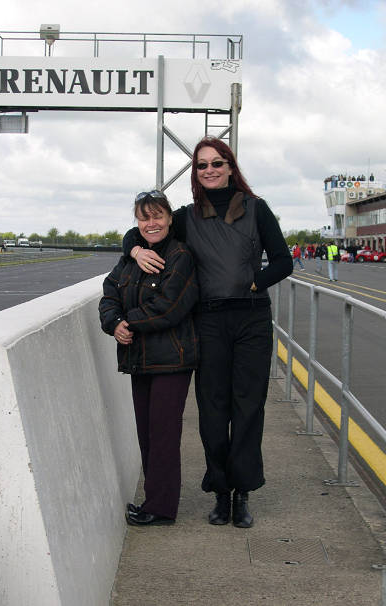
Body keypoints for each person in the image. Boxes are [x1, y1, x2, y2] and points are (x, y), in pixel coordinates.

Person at [123, 136, 292, 528]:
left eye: (217, 163)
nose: (210, 170)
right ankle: (219, 492)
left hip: (251, 320)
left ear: (231, 167)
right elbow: (144, 231)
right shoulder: (185, 216)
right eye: (202, 165)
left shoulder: (256, 209)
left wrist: (253, 282)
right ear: (195, 173)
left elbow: (283, 262)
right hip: (209, 322)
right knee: (213, 409)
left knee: (248, 408)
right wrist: (134, 250)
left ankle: (242, 493)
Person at [99, 191, 199, 526]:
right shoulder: (131, 256)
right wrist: (113, 323)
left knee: (164, 434)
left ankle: (161, 507)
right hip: (139, 359)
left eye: (157, 216)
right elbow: (110, 291)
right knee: (147, 433)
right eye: (144, 218)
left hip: (171, 359)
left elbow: (171, 306)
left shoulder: (180, 255)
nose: (151, 223)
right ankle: (153, 501)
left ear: (170, 218)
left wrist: (130, 323)